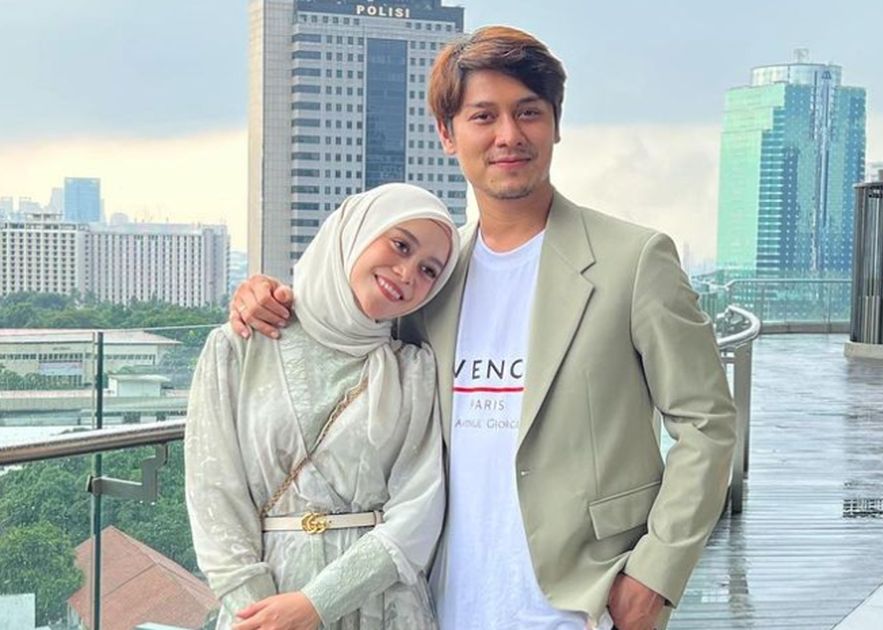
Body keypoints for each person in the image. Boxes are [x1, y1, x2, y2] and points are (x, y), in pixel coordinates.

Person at [231, 26, 736, 630]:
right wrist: (265, 299)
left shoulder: (633, 260)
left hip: (584, 605)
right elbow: (341, 337)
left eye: (529, 112)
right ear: (448, 134)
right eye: (483, 116)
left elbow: (707, 423)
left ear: (555, 124)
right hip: (440, 603)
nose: (509, 135)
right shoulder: (430, 280)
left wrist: (655, 574)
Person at [185, 183, 460, 630]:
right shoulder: (241, 346)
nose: (407, 272)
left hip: (382, 605)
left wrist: (318, 603)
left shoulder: (412, 371)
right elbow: (213, 494)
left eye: (429, 269)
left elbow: (419, 508)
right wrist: (255, 610)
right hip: (264, 605)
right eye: (400, 245)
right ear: (354, 233)